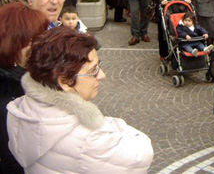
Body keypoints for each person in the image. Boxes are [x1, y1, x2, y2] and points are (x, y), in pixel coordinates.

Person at [6, 27, 154, 173]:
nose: (102, 75)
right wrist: (107, 123)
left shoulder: (21, 109)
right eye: (93, 70)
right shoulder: (88, 140)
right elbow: (142, 154)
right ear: (65, 81)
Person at [0, 3, 48, 174]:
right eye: (34, 40)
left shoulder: (23, 78)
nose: (41, 47)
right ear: (13, 41)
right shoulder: (10, 96)